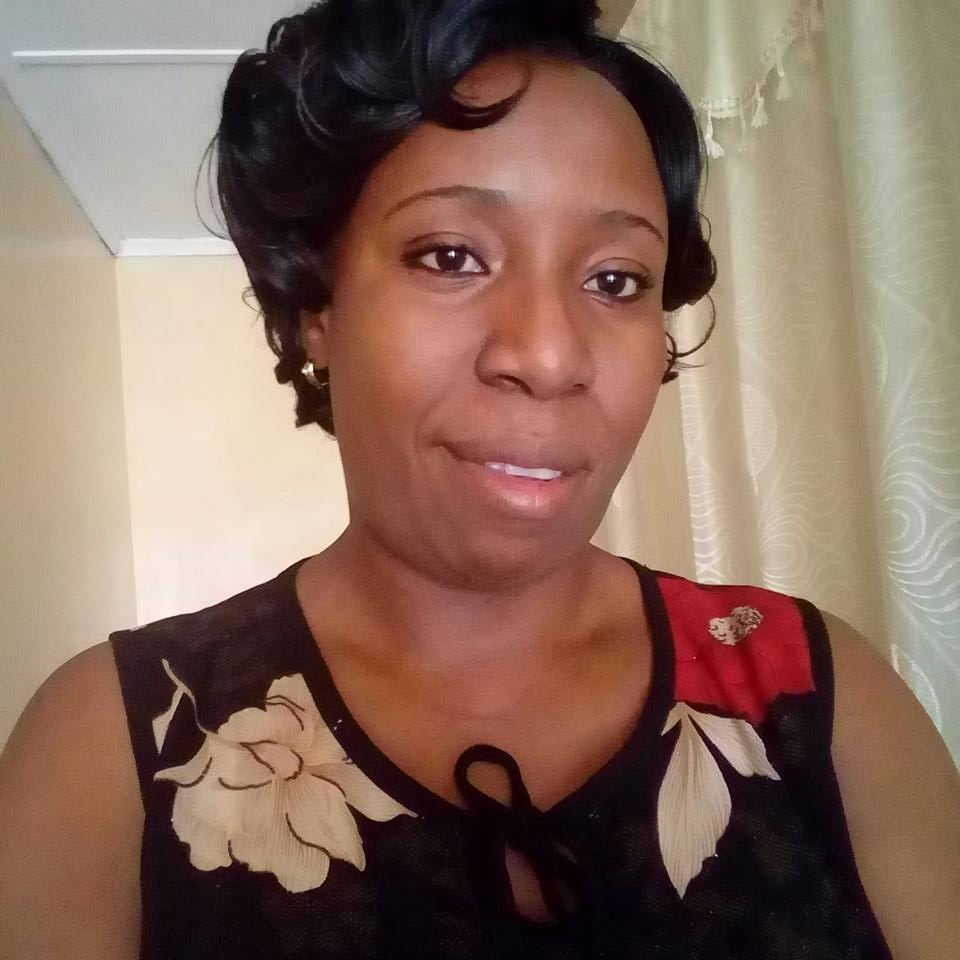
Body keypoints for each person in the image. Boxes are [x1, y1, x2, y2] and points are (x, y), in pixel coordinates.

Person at [1, 1, 958, 957]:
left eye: (616, 279)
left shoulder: (819, 699)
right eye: (452, 256)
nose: (548, 356)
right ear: (315, 307)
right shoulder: (113, 749)